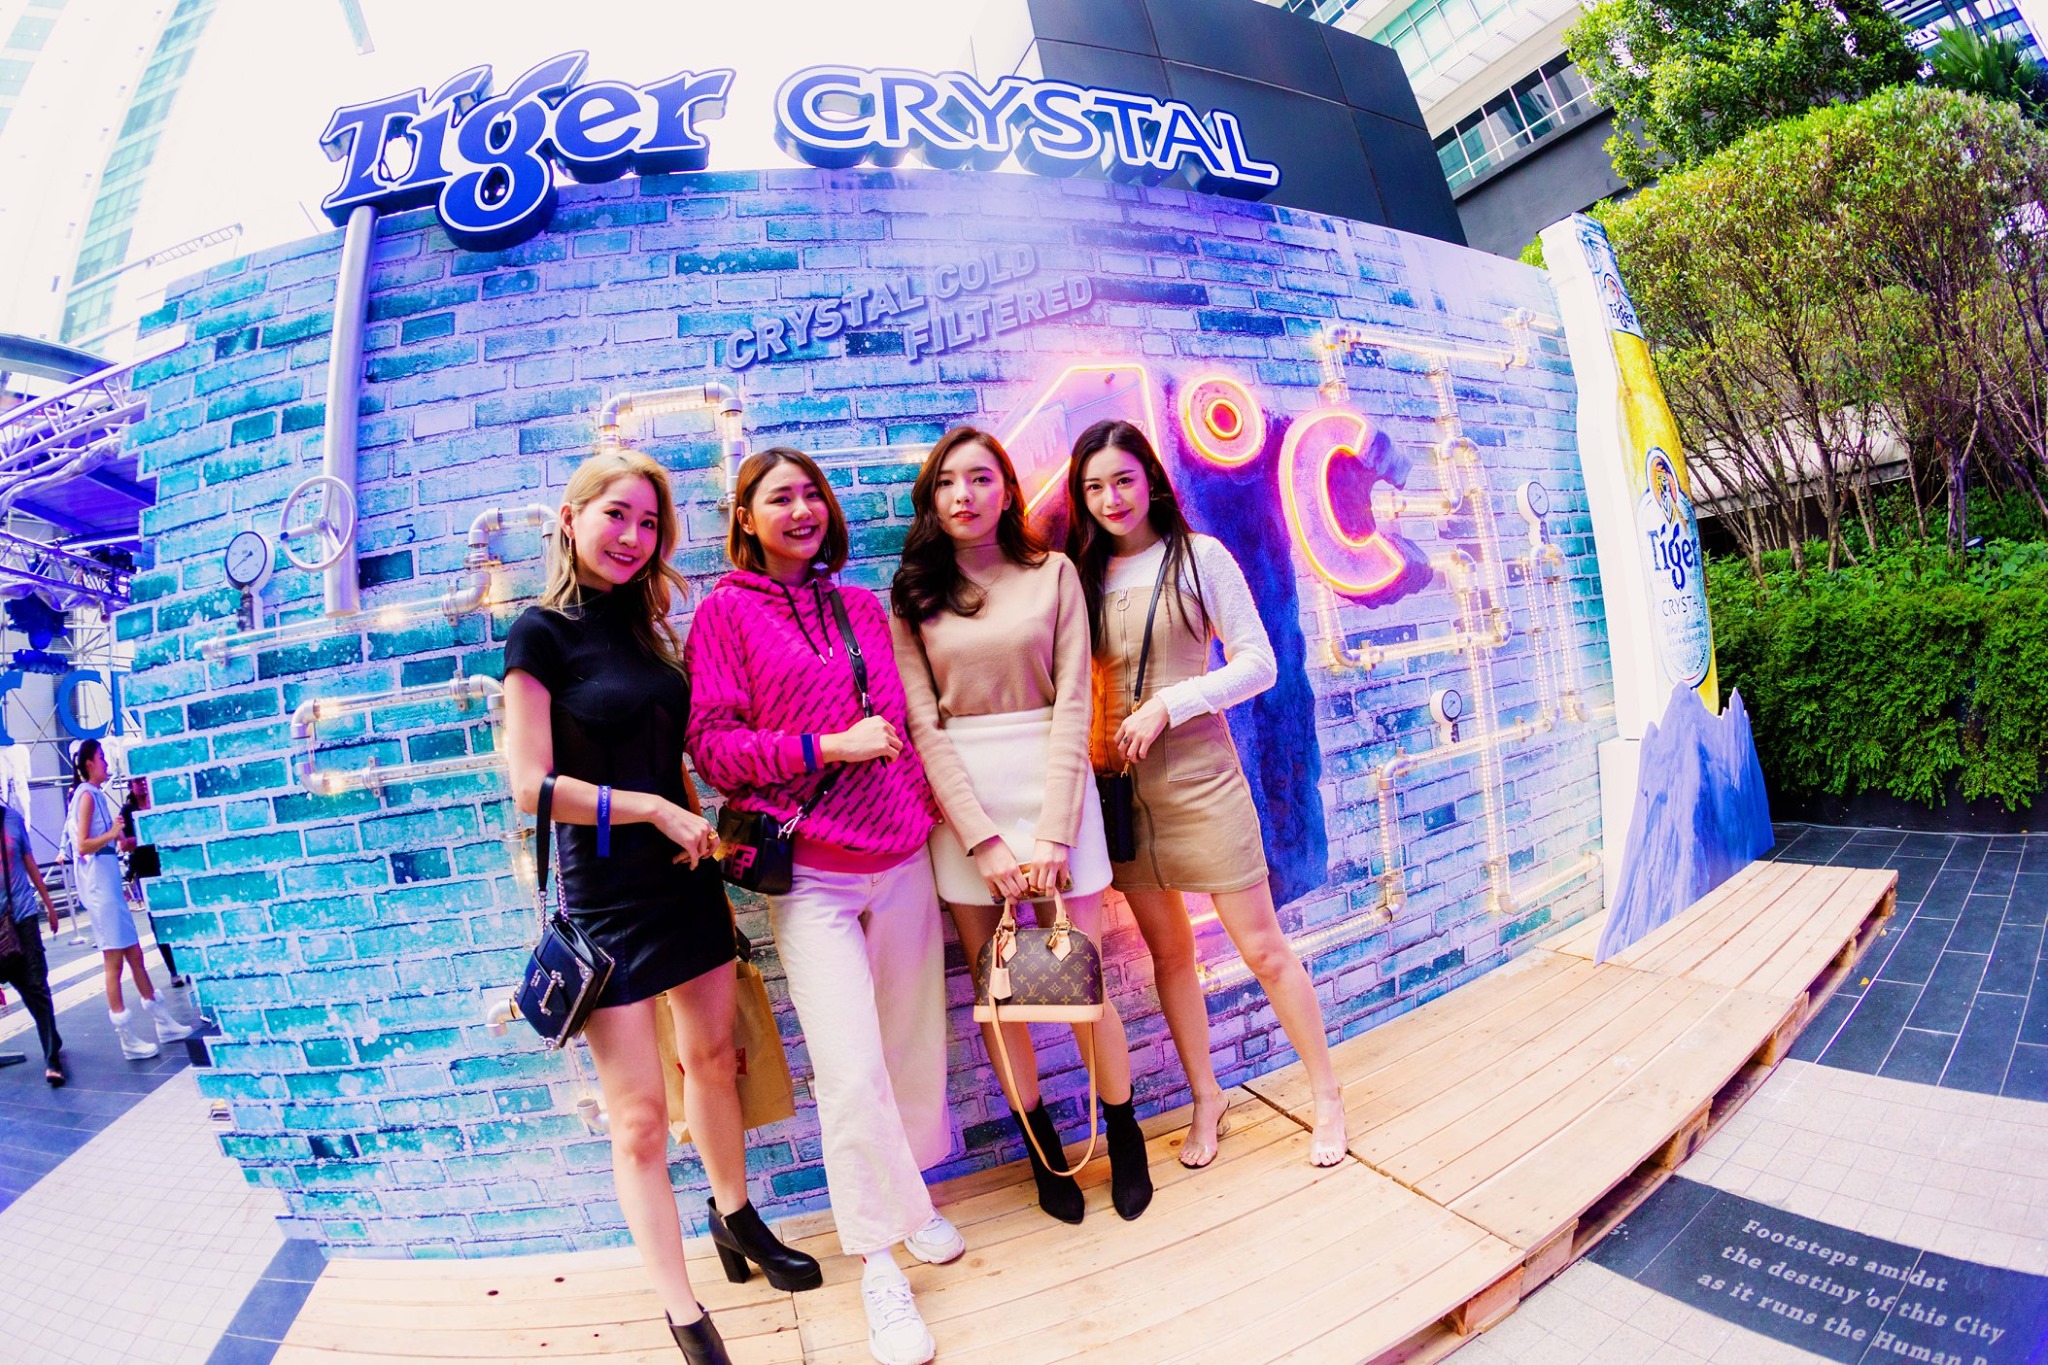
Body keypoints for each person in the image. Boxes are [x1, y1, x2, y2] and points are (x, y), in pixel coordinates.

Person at [501, 449, 820, 1365]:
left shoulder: (651, 633)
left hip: (683, 880)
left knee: (714, 1059)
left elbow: (666, 752)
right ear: (571, 518)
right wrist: (648, 809)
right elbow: (529, 785)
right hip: (605, 902)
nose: (634, 537)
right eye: (617, 515)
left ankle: (737, 1217)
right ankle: (684, 1312)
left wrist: (694, 824)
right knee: (639, 1119)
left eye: (650, 523)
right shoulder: (538, 635)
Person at [686, 447, 962, 1365]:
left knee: (912, 1048)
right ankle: (879, 1265)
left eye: (812, 494)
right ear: (746, 518)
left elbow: (902, 725)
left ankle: (912, 1203)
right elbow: (715, 749)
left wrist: (918, 810)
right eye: (780, 498)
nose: (802, 509)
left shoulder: (858, 606)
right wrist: (827, 747)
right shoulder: (725, 612)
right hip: (812, 876)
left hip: (901, 856)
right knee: (848, 1069)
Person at [1064, 420, 1348, 1169]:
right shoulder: (1080, 577)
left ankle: (1325, 1095)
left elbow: (1259, 664)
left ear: (1150, 479)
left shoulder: (1200, 557)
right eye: (1094, 487)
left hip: (1201, 780)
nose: (1111, 498)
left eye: (1123, 480)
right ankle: (1206, 1096)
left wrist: (1171, 703)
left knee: (1263, 948)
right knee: (1169, 955)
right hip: (1121, 793)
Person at [890, 426, 1153, 1226]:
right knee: (1001, 997)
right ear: (931, 499)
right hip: (965, 810)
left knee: (1081, 987)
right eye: (947, 482)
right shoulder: (914, 592)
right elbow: (923, 726)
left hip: (1056, 796)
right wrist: (983, 840)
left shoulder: (1053, 573)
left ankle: (1125, 1135)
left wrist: (1054, 832)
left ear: (1007, 489)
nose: (963, 495)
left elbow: (1075, 701)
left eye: (980, 477)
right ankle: (1042, 1151)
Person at [71, 739, 191, 1060]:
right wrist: (112, 835)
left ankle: (162, 1020)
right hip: (101, 888)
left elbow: (105, 843)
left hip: (108, 883)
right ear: (89, 763)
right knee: (114, 960)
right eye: (101, 758)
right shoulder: (86, 795)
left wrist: (119, 840)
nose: (106, 763)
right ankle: (126, 1036)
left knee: (135, 954)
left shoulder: (94, 795)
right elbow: (83, 845)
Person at [0, 796, 65, 1084]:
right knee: (23, 986)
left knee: (36, 983)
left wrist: (49, 905)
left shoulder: (12, 819)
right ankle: (52, 1036)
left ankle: (52, 1059)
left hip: (23, 914)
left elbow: (29, 863)